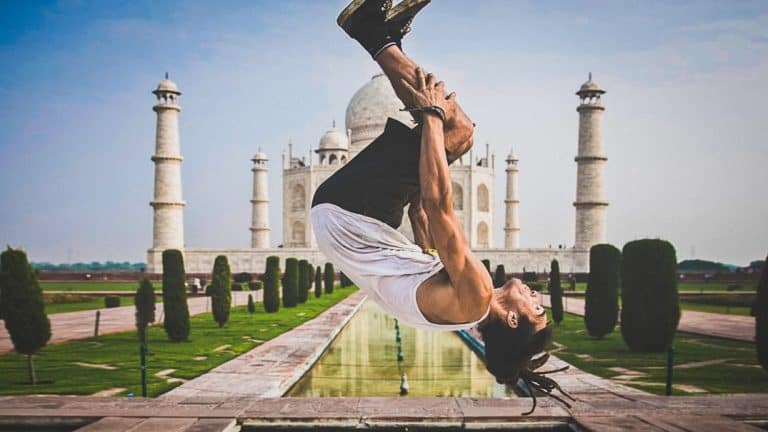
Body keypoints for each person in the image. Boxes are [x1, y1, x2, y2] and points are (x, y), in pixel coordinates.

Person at [310, 0, 572, 413]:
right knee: (459, 136)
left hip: (349, 213)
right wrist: (421, 188)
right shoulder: (462, 313)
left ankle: (373, 33)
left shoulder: (477, 294)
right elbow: (423, 222)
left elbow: (437, 204)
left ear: (513, 320)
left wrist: (431, 115)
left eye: (536, 308)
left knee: (457, 128)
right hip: (351, 218)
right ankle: (384, 37)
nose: (536, 295)